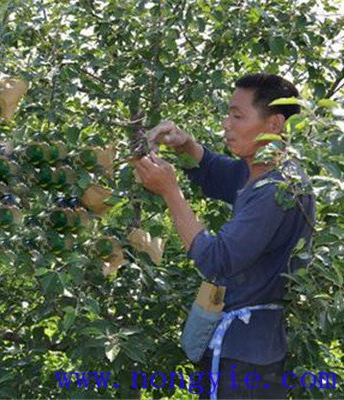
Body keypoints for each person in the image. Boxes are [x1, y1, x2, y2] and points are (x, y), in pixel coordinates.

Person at [134, 73, 315, 399]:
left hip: (241, 363)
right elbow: (219, 174)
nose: (227, 124)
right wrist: (184, 144)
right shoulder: (265, 173)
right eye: (227, 114)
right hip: (249, 350)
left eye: (237, 115)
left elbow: (217, 260)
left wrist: (170, 191)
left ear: (274, 124)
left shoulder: (275, 190)